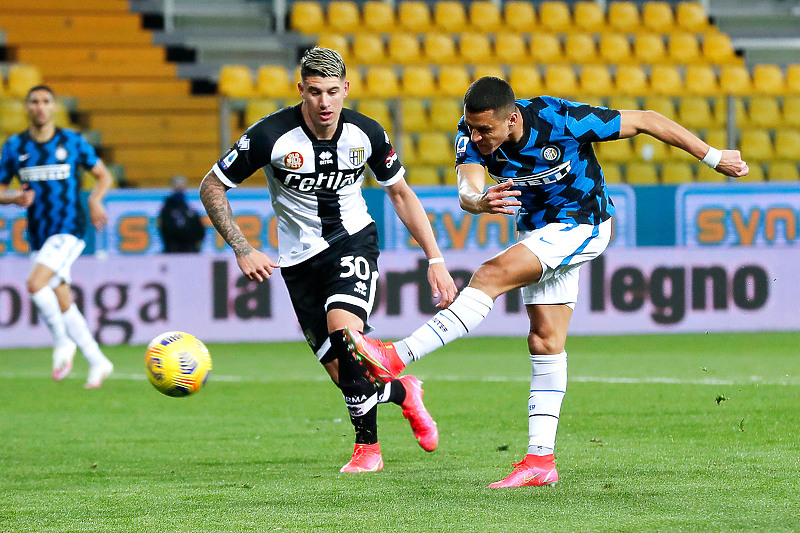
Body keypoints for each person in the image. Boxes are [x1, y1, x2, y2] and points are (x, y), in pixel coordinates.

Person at [345, 76, 750, 486]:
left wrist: (714, 156)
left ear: (512, 119)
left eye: (485, 129)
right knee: (544, 339)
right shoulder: (468, 135)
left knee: (490, 274)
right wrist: (478, 201)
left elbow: (645, 120)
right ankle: (541, 461)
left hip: (584, 224)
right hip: (537, 234)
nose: (476, 135)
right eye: (471, 127)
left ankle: (397, 357)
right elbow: (468, 189)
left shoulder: (560, 119)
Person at [199, 47, 457, 473]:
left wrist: (435, 258)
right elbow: (212, 185)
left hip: (352, 241)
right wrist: (242, 247)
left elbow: (400, 193)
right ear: (301, 89)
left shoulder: (367, 133)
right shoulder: (270, 136)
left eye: (333, 92)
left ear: (346, 90)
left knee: (346, 335)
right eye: (315, 92)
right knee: (346, 374)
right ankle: (403, 393)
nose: (324, 102)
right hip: (298, 261)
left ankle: (367, 450)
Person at [0, 84, 115, 388]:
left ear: (53, 107)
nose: (40, 106)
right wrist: (13, 199)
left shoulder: (72, 141)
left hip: (70, 227)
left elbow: (104, 175)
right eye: (34, 101)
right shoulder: (14, 147)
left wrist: (94, 199)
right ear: (27, 108)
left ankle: (62, 341)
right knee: (62, 297)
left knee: (35, 283)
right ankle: (98, 361)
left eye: (45, 101)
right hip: (39, 233)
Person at [158, 174, 206, 253]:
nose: (180, 188)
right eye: (177, 186)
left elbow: (200, 231)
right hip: (173, 251)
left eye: (182, 186)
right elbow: (165, 230)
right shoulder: (167, 210)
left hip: (190, 251)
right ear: (172, 187)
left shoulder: (190, 210)